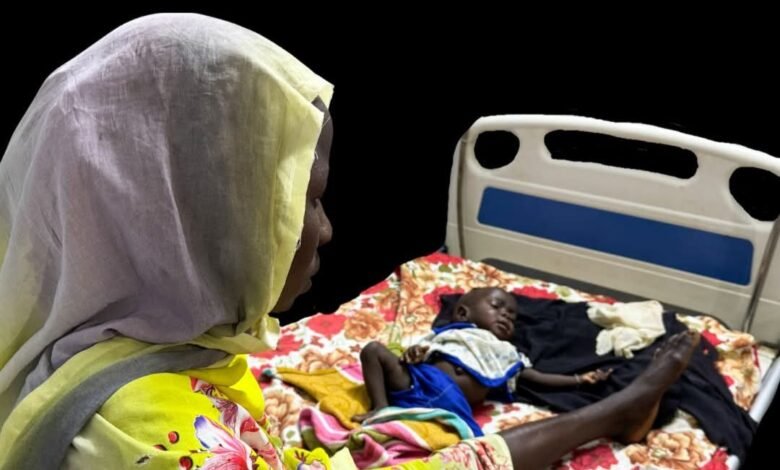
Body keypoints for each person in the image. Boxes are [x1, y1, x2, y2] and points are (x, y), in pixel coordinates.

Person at [0, 13, 701, 470]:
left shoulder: (139, 345)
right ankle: (616, 411)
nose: (327, 229)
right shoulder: (144, 434)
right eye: (301, 203)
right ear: (192, 220)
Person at [356, 287, 612, 435]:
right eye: (497, 306)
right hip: (415, 383)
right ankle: (381, 406)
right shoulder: (451, 333)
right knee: (373, 350)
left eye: (511, 316)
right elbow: (421, 351)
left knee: (478, 448)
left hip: (453, 404)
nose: (506, 316)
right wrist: (413, 354)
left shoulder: (506, 352)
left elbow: (538, 377)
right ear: (463, 312)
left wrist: (578, 379)